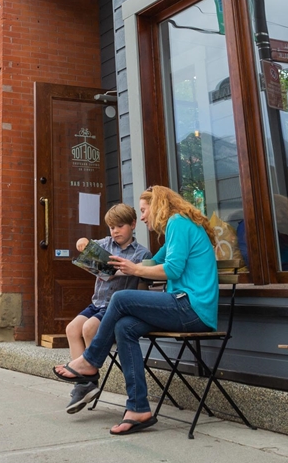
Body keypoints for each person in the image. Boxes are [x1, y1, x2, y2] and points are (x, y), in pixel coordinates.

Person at [54, 185, 219, 436]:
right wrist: (112, 267)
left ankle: (90, 360)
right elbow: (151, 263)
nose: (142, 217)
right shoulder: (176, 228)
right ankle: (138, 408)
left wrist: (135, 270)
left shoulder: (178, 223)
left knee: (120, 299)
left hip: (192, 307)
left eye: (144, 210)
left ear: (159, 205)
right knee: (125, 327)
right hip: (181, 306)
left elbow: (171, 270)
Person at [64, 203, 151, 414]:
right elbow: (83, 244)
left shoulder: (142, 253)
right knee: (72, 329)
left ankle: (89, 372)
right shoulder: (105, 244)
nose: (115, 231)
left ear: (133, 224)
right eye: (111, 227)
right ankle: (84, 383)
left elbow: (144, 286)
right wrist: (83, 244)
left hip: (115, 309)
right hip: (97, 303)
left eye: (120, 226)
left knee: (88, 329)